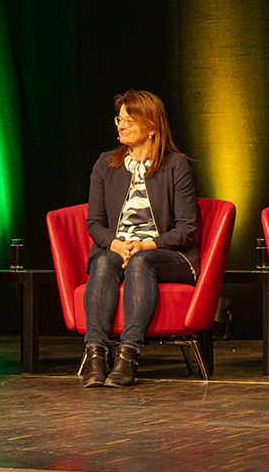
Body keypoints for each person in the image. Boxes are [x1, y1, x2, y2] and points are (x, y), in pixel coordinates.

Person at [78, 90, 199, 389]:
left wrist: (146, 245)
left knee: (141, 261)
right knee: (103, 260)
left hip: (166, 254)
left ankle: (128, 354)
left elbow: (186, 228)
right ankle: (95, 355)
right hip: (118, 248)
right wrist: (116, 244)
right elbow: (95, 223)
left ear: (152, 127)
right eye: (119, 119)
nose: (121, 125)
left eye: (129, 121)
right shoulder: (105, 164)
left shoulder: (175, 166)